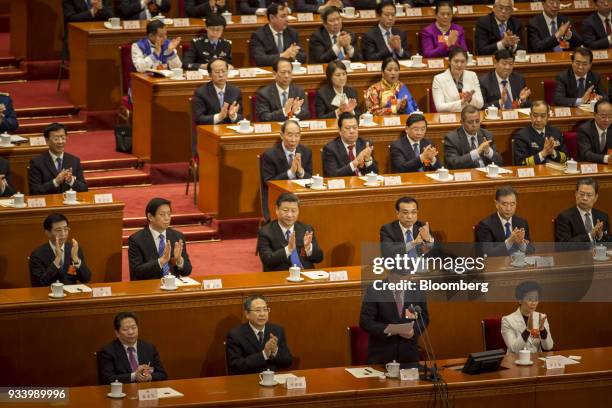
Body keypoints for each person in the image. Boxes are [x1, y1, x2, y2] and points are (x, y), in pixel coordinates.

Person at [359, 265, 429, 365]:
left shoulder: (417, 290)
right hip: (382, 358)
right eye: (398, 278)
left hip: (409, 357)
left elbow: (424, 319)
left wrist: (414, 331)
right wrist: (391, 329)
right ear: (389, 273)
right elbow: (365, 322)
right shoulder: (374, 290)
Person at [128, 197, 192, 280]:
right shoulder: (136, 239)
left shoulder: (177, 237)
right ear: (150, 217)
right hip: (149, 287)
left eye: (169, 214)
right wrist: (161, 261)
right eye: (162, 214)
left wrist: (179, 261)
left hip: (173, 286)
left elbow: (187, 271)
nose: (167, 218)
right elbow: (137, 272)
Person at [226, 295, 293, 375]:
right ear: (247, 314)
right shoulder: (235, 335)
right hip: (248, 381)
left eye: (265, 309)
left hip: (273, 380)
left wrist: (275, 351)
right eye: (258, 310)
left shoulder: (277, 330)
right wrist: (264, 354)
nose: (262, 314)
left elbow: (288, 362)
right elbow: (235, 366)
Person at [256, 193, 324, 271]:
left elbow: (319, 258)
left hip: (305, 275)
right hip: (281, 276)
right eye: (285, 210)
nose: (290, 215)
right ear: (277, 210)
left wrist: (309, 249)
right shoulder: (265, 232)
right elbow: (267, 261)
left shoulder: (306, 229)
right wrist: (288, 249)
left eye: (293, 211)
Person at [260, 120, 313, 220]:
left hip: (300, 199)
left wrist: (301, 172)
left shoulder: (306, 152)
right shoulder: (270, 155)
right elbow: (268, 182)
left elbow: (310, 179)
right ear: (281, 135)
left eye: (297, 135)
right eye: (290, 135)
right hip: (279, 199)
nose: (293, 139)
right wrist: (290, 173)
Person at [98, 312, 168, 384]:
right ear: (117, 333)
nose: (131, 332)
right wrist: (134, 376)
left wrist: (149, 377)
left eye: (134, 328)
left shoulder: (149, 348)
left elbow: (162, 375)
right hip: (123, 392)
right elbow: (107, 379)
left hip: (145, 391)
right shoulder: (108, 351)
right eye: (125, 329)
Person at [29, 213, 91, 287]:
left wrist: (76, 259)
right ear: (48, 233)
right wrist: (57, 260)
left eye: (65, 229)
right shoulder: (38, 254)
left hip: (71, 296)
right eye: (58, 230)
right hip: (48, 294)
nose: (63, 234)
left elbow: (86, 279)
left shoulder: (73, 249)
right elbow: (39, 283)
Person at [28, 123, 87, 195]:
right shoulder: (37, 162)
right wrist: (55, 182)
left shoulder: (74, 161)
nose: (60, 142)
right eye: (56, 139)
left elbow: (84, 189)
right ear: (47, 141)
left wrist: (71, 181)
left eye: (63, 138)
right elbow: (34, 191)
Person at [476, 186, 533, 257]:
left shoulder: (522, 222)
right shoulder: (485, 226)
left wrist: (521, 244)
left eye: (512, 204)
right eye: (504, 204)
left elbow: (531, 250)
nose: (508, 209)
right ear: (496, 204)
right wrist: (510, 241)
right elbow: (488, 254)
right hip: (495, 265)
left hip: (517, 265)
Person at [501, 281, 553, 353]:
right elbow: (514, 349)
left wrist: (542, 329)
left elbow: (548, 347)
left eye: (536, 299)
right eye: (530, 299)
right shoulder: (507, 320)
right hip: (515, 361)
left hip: (536, 361)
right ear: (520, 300)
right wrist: (527, 330)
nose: (534, 303)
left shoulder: (541, 317)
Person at [555, 178, 610, 244]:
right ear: (575, 194)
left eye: (589, 195)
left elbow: (609, 243)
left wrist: (600, 235)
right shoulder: (564, 217)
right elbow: (563, 245)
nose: (584, 198)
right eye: (581, 194)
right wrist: (590, 236)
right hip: (577, 254)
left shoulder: (602, 216)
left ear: (596, 197)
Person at [322, 112, 378, 176]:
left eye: (354, 127)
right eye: (348, 128)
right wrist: (356, 162)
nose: (352, 131)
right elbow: (332, 175)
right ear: (340, 131)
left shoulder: (365, 144)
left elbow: (375, 174)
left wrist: (368, 160)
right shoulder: (330, 149)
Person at [250, 2, 305, 67]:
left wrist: (293, 56)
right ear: (272, 18)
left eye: (287, 15)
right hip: (269, 72)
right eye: (283, 16)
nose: (287, 19)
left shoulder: (292, 33)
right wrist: (283, 55)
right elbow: (260, 59)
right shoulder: (258, 35)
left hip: (288, 70)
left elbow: (302, 56)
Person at [255, 58, 310, 122]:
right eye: (283, 72)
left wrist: (297, 111)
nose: (287, 76)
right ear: (274, 74)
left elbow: (307, 114)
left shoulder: (299, 91)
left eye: (289, 72)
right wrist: (284, 111)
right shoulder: (264, 94)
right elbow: (264, 117)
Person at [514, 100, 568, 165]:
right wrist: (543, 154)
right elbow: (521, 163)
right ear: (530, 115)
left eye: (542, 116)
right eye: (535, 116)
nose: (538, 120)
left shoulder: (556, 132)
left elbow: (566, 158)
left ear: (548, 116)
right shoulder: (522, 135)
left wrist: (553, 152)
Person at [432, 47, 484, 113]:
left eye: (463, 61)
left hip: (469, 117)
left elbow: (480, 104)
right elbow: (439, 107)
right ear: (449, 62)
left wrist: (470, 99)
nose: (459, 65)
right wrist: (461, 102)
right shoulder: (439, 79)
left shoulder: (472, 76)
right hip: (450, 118)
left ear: (466, 62)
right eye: (456, 61)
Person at [192, 59, 243, 125]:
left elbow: (241, 117)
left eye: (224, 71)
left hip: (229, 130)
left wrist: (233, 116)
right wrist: (219, 117)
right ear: (210, 75)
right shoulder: (201, 92)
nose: (221, 75)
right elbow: (198, 119)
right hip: (209, 130)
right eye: (217, 72)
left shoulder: (235, 91)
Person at [578, 100, 612, 164]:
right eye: (603, 116)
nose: (607, 120)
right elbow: (586, 154)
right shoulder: (585, 129)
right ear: (594, 115)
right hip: (589, 166)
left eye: (610, 116)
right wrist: (606, 159)